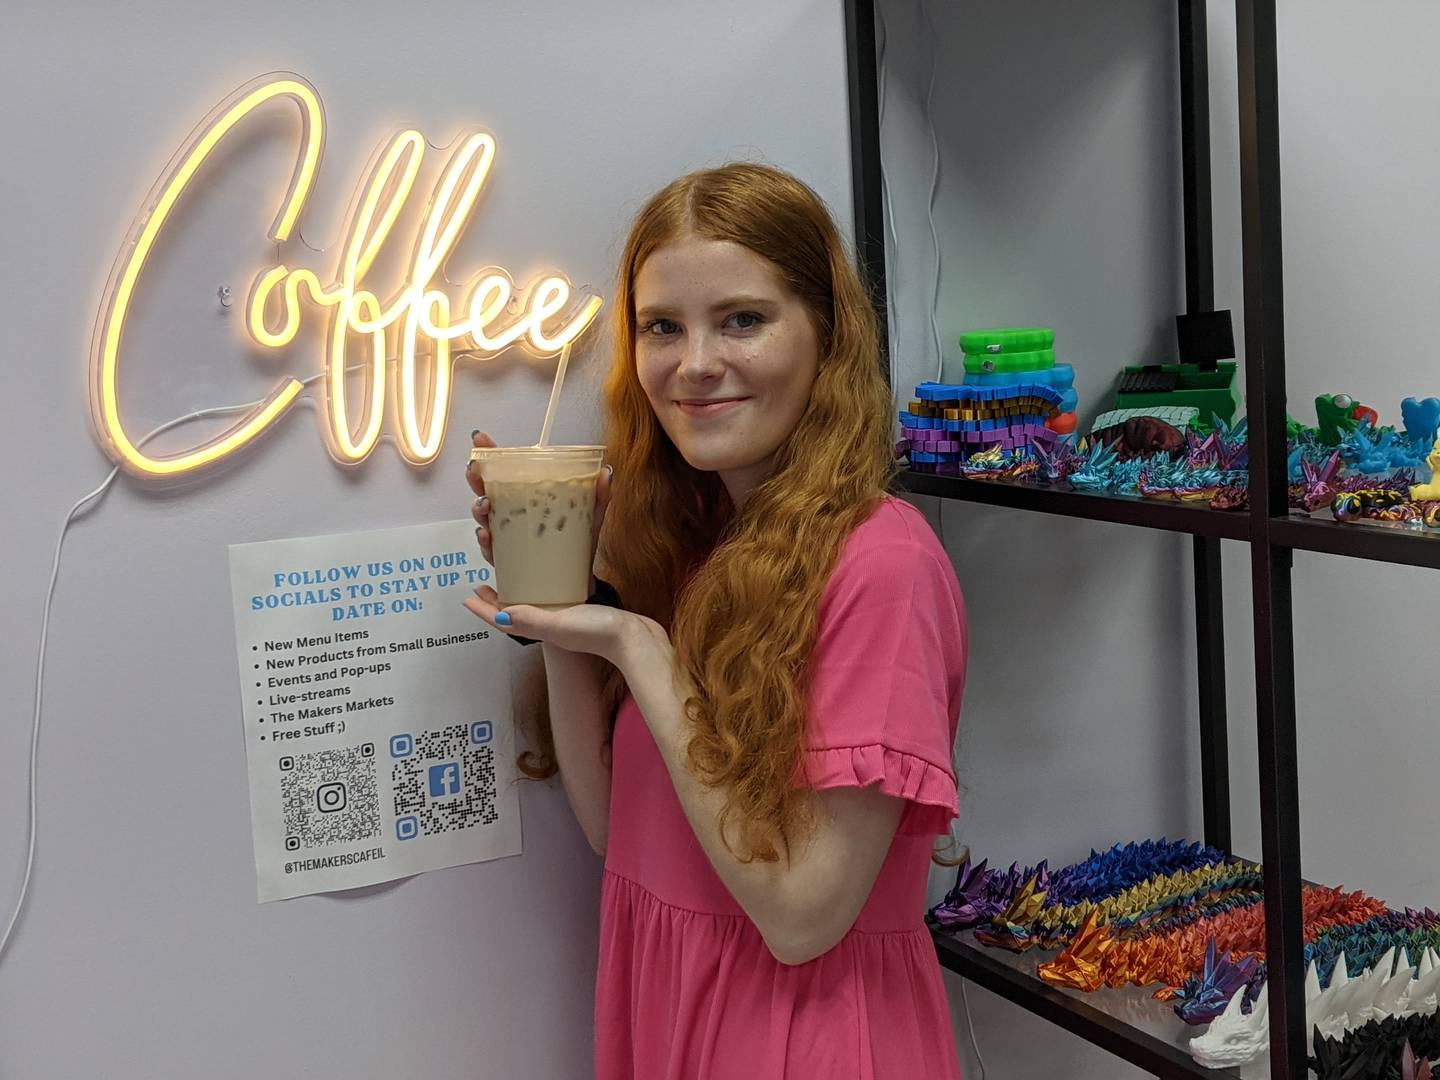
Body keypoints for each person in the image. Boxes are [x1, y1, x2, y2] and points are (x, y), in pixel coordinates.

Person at [463, 162, 967, 1080]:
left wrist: (637, 644)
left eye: (743, 319)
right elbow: (624, 835)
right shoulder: (692, 545)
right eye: (663, 326)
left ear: (827, 335)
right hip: (671, 1018)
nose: (694, 364)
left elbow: (802, 917)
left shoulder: (882, 564)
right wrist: (569, 617)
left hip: (808, 1038)